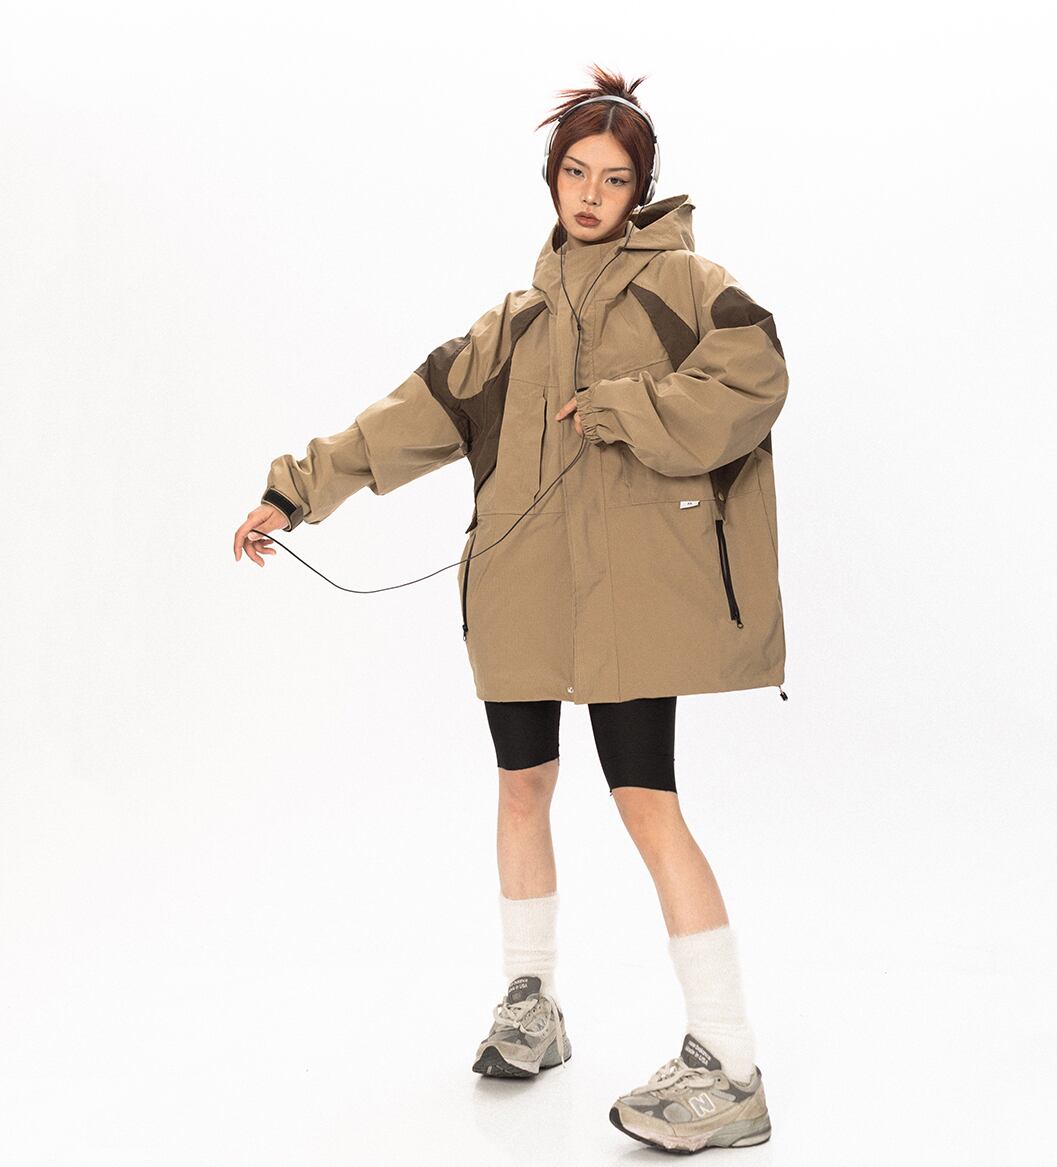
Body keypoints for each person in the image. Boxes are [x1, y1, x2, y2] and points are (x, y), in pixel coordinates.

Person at [233, 64, 789, 1154]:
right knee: (521, 786)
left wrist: (626, 405)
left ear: (641, 190)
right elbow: (404, 419)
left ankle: (728, 1064)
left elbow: (755, 375)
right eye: (576, 173)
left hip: (629, 601)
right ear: (551, 179)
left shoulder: (689, 287)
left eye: (614, 178)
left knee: (646, 803)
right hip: (520, 589)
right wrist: (292, 493)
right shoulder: (513, 325)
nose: (592, 195)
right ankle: (532, 1003)